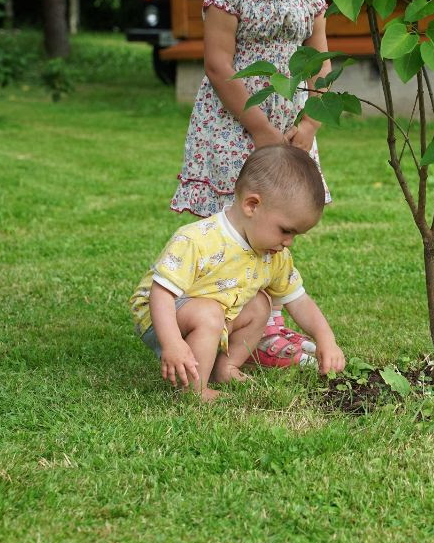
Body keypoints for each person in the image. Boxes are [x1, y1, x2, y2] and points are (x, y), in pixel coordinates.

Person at [170, 0, 332, 359]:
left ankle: (267, 322)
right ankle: (214, 317)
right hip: (236, 127)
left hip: (290, 129)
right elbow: (219, 67)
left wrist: (307, 124)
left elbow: (320, 64)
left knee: (277, 222)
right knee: (230, 225)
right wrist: (261, 130)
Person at [132, 145, 346, 401]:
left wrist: (326, 338)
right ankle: (194, 390)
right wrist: (172, 344)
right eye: (286, 230)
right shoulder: (198, 240)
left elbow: (298, 300)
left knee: (260, 304)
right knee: (208, 314)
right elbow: (161, 294)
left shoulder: (274, 255)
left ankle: (226, 366)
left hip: (216, 311)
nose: (289, 242)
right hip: (161, 315)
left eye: (296, 235)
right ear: (252, 205)